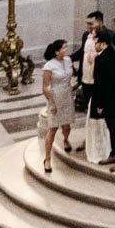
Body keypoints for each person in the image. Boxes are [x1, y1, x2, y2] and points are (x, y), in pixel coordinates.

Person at [89, 23, 115, 169]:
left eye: (96, 41)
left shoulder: (107, 58)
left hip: (108, 99)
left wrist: (100, 104)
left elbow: (104, 83)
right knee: (111, 126)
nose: (94, 44)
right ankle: (114, 152)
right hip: (112, 98)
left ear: (103, 43)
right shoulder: (113, 54)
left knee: (114, 127)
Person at [39, 38, 74, 173]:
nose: (66, 50)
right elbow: (45, 87)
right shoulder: (49, 66)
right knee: (52, 128)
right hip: (55, 96)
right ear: (56, 51)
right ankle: (47, 158)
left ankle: (66, 139)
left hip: (67, 95)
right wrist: (52, 103)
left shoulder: (68, 61)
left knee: (67, 124)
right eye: (64, 48)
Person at [70, 9, 106, 124]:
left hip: (98, 79)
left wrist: (96, 57)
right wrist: (68, 58)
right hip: (85, 78)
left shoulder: (107, 36)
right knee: (88, 108)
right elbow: (82, 52)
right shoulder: (86, 35)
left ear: (99, 23)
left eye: (91, 24)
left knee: (98, 109)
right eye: (87, 23)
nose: (88, 26)